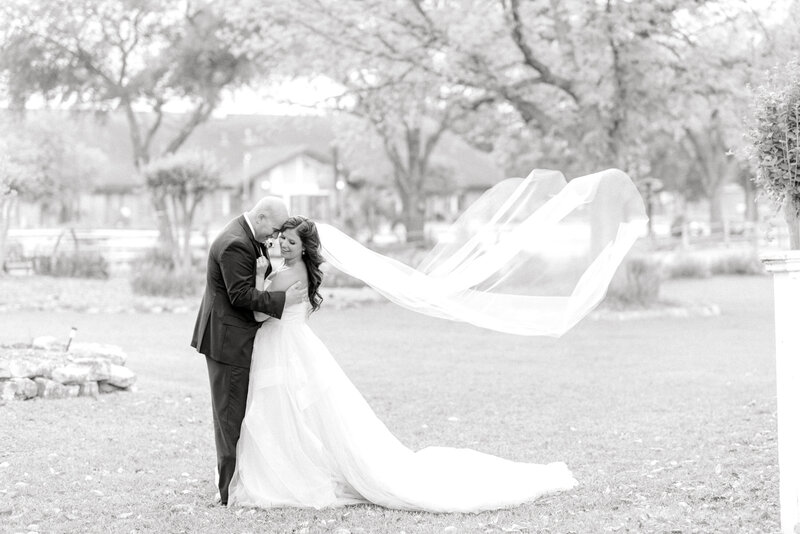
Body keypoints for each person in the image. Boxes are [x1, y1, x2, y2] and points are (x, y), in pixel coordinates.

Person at [226, 216, 578, 512]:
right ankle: (292, 470)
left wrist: (259, 276)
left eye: (291, 241)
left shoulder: (285, 274)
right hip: (294, 345)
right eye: (281, 239)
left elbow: (258, 312)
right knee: (289, 412)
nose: (283, 245)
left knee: (276, 411)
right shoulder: (297, 270)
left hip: (283, 348)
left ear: (305, 247)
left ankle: (282, 476)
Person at [191, 197, 306, 506]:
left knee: (236, 413)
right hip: (227, 342)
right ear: (261, 216)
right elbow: (240, 295)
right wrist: (283, 300)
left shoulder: (245, 236)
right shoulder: (236, 243)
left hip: (233, 338)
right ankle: (228, 491)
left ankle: (237, 481)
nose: (276, 236)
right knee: (229, 416)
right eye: (276, 229)